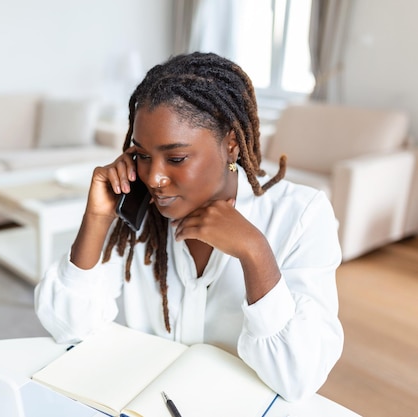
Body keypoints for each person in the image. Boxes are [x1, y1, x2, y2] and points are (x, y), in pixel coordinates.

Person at [35, 52, 343, 401]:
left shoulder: (300, 215)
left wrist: (255, 252)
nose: (154, 177)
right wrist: (96, 220)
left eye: (176, 158)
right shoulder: (136, 212)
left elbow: (299, 378)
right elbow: (66, 326)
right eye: (142, 155)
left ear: (230, 144)